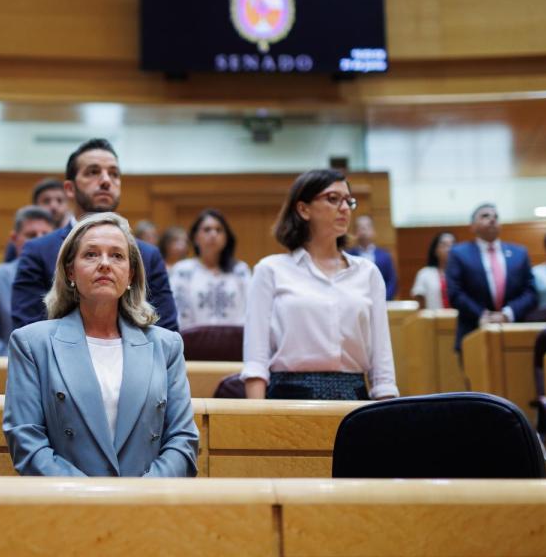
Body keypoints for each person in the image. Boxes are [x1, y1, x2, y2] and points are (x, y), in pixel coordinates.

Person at [3, 212, 198, 477]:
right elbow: (27, 442)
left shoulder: (166, 345)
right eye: (91, 254)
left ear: (131, 274)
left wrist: (141, 493)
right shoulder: (31, 344)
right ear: (70, 270)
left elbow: (183, 439)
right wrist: (93, 495)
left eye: (117, 256)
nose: (105, 264)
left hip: (148, 497)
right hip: (66, 497)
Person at [242, 169, 398, 401]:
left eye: (348, 201)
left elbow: (382, 368)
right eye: (333, 199)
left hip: (353, 397)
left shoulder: (367, 273)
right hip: (288, 397)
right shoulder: (270, 270)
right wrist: (257, 417)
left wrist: (386, 409)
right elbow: (256, 361)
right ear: (303, 209)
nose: (344, 208)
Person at [11, 138, 179, 331]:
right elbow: (28, 331)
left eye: (114, 174)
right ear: (70, 189)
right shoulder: (38, 251)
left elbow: (166, 331)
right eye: (93, 172)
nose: (106, 181)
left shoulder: (148, 254)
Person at [446, 203, 536, 352]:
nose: (492, 219)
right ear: (472, 226)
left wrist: (508, 314)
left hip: (514, 333)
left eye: (496, 216)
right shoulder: (459, 254)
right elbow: (455, 292)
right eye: (485, 216)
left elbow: (530, 292)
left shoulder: (519, 253)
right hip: (473, 332)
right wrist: (482, 315)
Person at [0, 206, 55, 356]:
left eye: (45, 235)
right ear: (14, 239)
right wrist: (20, 362)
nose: (39, 240)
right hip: (8, 365)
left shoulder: (68, 277)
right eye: (31, 235)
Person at [169, 209, 250, 330]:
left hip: (236, 339)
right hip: (192, 338)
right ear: (195, 237)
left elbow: (249, 310)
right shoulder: (182, 271)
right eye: (207, 229)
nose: (213, 234)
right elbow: (179, 313)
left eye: (219, 230)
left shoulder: (240, 270)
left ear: (226, 238)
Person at [347, 215, 398, 300]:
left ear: (373, 231)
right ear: (355, 233)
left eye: (367, 226)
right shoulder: (348, 256)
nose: (363, 230)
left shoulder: (385, 256)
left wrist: (382, 299)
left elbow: (392, 282)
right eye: (360, 227)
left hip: (382, 301)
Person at [411, 231, 455, 310]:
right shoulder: (424, 273)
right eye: (444, 245)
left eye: (452, 245)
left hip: (459, 317)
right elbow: (419, 301)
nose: (449, 249)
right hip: (433, 316)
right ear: (435, 250)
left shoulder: (463, 273)